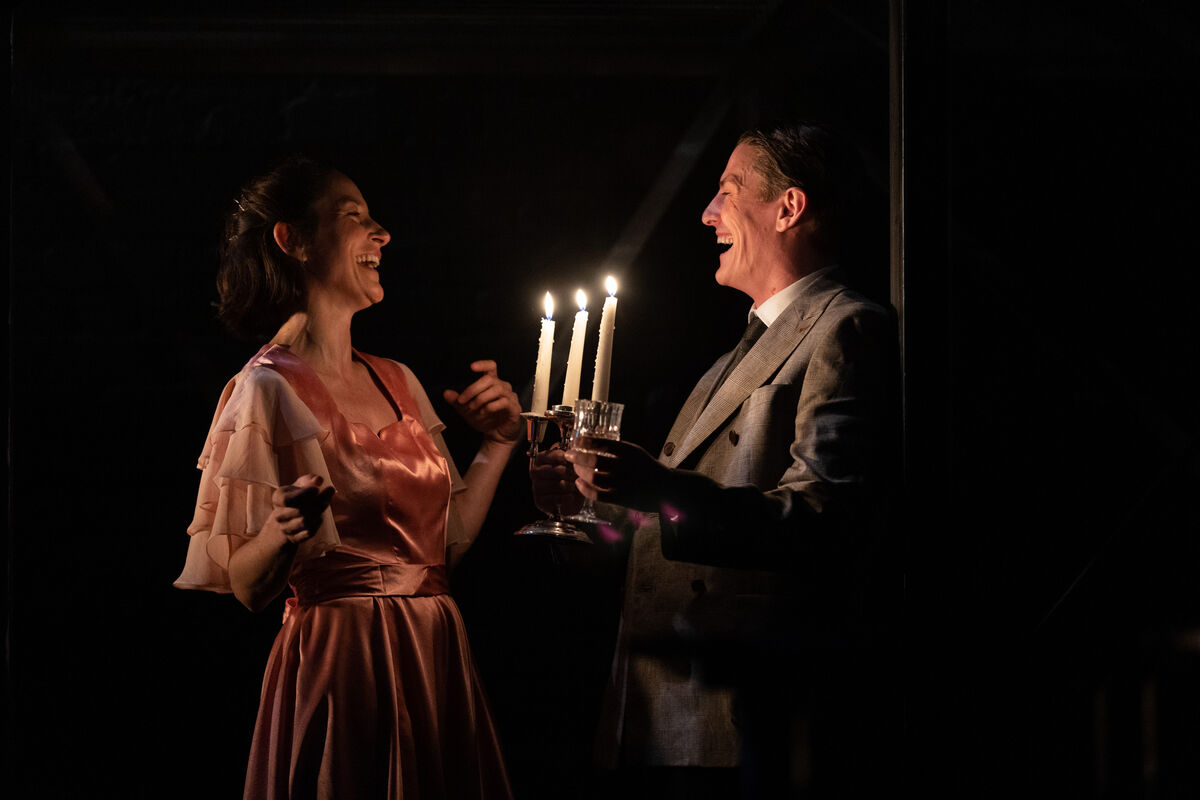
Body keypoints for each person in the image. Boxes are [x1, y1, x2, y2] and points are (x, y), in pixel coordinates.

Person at [532, 121, 900, 799]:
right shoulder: (723, 363)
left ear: (789, 208)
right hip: (659, 701)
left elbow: (821, 517)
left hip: (746, 711)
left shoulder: (847, 328)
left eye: (727, 192)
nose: (707, 214)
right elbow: (647, 536)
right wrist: (585, 508)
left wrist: (660, 488)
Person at [174, 154, 521, 800]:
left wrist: (500, 444)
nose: (381, 233)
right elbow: (247, 587)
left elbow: (445, 547)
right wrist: (282, 532)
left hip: (435, 655)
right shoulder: (262, 389)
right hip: (341, 669)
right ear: (294, 240)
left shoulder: (398, 380)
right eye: (354, 217)